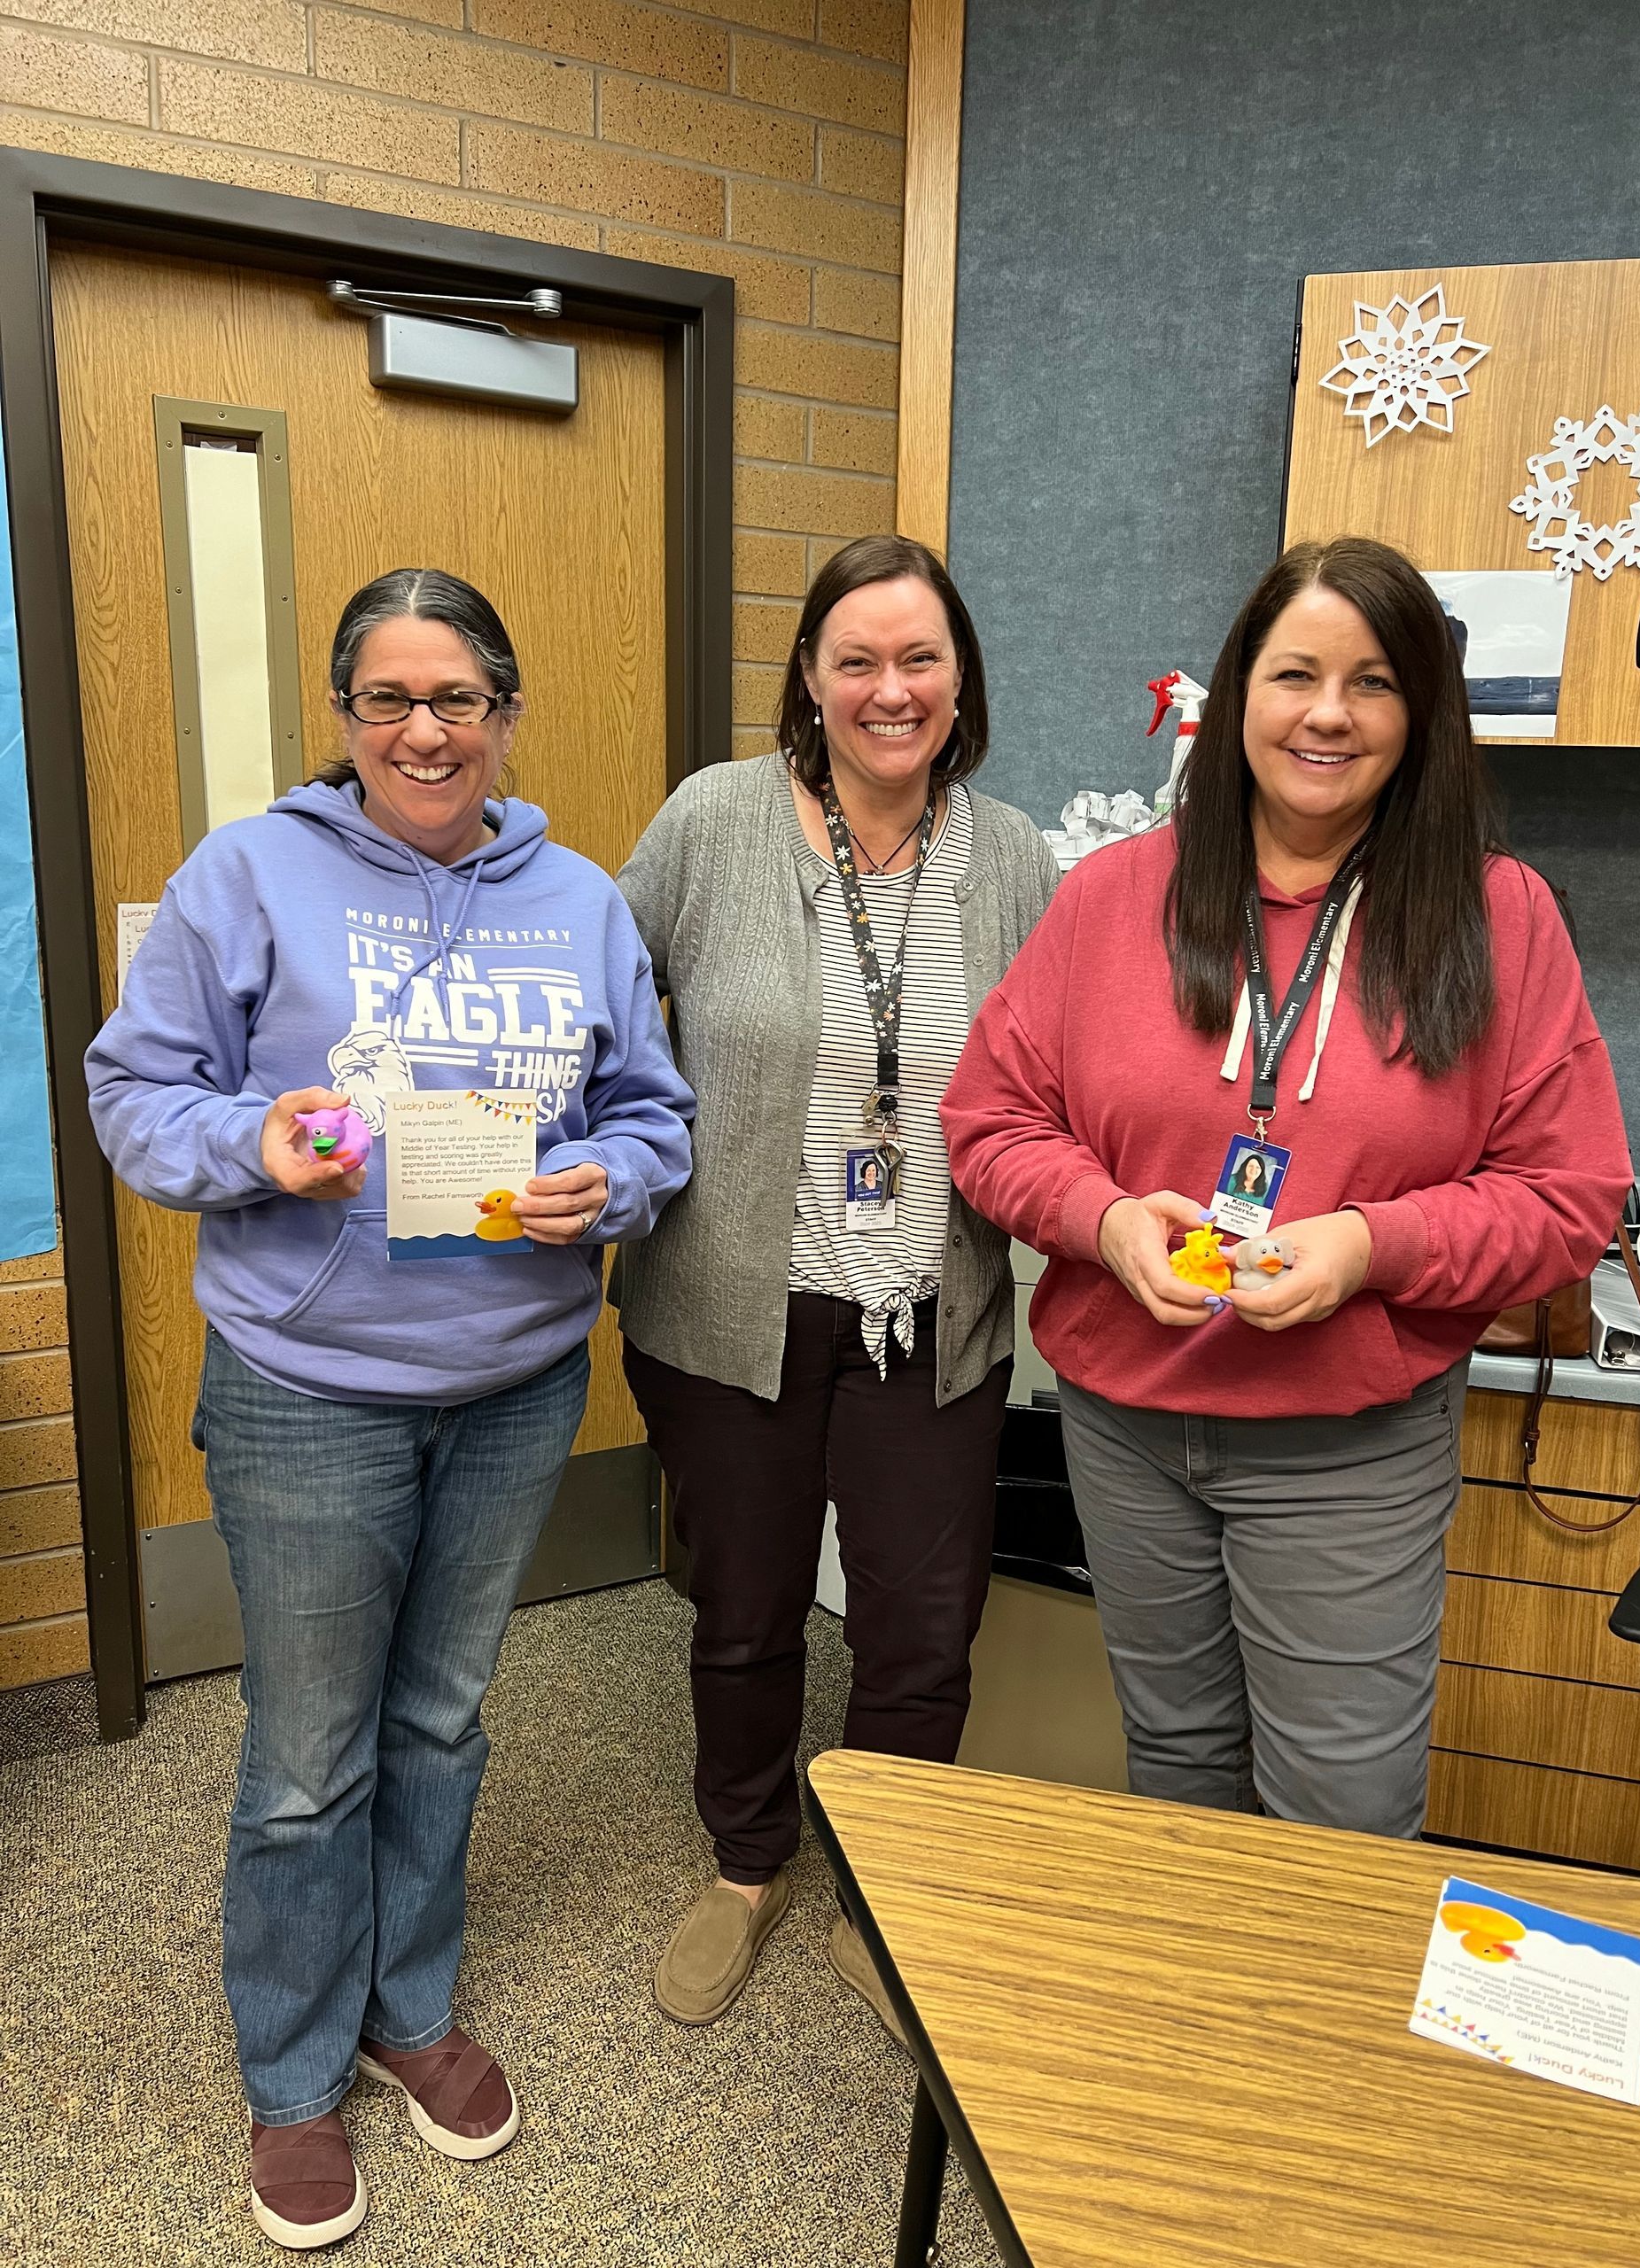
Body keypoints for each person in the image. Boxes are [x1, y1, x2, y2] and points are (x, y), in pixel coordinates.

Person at [86, 570, 694, 2250]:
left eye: (459, 700)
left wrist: (609, 1182)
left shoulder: (577, 898)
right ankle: (292, 2075)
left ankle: (406, 2006)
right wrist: (249, 1148)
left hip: (514, 1386)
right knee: (304, 1759)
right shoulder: (253, 873)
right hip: (306, 1390)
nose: (425, 731)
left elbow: (654, 1113)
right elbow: (134, 1091)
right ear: (347, 720)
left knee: (440, 1722)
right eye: (388, 701)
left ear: (504, 714)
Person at [941, 537, 1630, 1843]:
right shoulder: (1112, 900)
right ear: (1239, 691)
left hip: (1348, 1447)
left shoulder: (1497, 916)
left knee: (1342, 1807)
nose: (1327, 712)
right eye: (1295, 673)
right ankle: (1207, 2036)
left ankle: (1319, 2042)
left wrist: (1373, 1246)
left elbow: (1568, 1193)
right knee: (1179, 1771)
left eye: (1372, 682)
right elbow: (991, 1121)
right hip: (1130, 1425)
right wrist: (1102, 1216)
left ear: (1420, 710)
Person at [613, 533, 1057, 2032]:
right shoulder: (712, 823)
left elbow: (1054, 1078)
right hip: (736, 1306)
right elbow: (595, 1011)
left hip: (933, 1310)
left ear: (959, 678)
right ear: (808, 674)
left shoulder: (1010, 859)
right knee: (742, 1610)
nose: (889, 688)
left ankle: (887, 1886)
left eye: (919, 658)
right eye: (855, 659)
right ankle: (749, 1863)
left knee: (924, 1625)